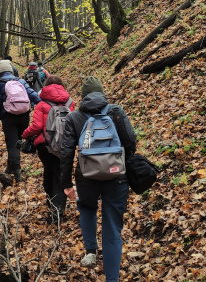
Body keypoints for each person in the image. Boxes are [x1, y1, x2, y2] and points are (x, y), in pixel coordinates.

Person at [60, 76, 137, 282]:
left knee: (86, 208)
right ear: (102, 93)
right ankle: (112, 279)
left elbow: (66, 152)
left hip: (86, 176)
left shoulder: (74, 117)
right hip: (117, 176)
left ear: (83, 97)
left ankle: (91, 250)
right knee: (112, 227)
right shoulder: (116, 112)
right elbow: (131, 143)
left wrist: (66, 183)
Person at [22, 75, 74, 224]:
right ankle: (57, 208)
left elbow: (37, 126)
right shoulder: (70, 103)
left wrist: (25, 134)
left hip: (45, 146)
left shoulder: (42, 104)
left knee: (50, 172)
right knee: (59, 174)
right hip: (65, 145)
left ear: (46, 86)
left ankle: (55, 209)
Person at [0, 60, 41, 182]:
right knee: (18, 141)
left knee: (12, 144)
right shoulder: (20, 81)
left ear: (0, 71)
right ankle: (10, 166)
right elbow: (33, 95)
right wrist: (44, 104)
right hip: (24, 116)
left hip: (9, 117)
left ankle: (17, 173)